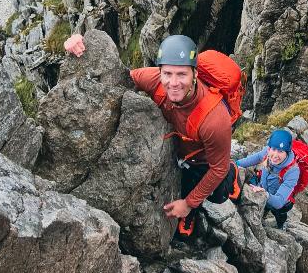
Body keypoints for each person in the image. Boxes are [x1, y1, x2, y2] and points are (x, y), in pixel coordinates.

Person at [65, 30, 239, 237]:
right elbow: (114, 78)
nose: (173, 83)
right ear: (160, 72)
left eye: (182, 74)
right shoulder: (154, 80)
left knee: (218, 195)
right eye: (167, 74)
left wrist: (188, 204)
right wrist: (81, 48)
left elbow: (216, 169)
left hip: (202, 158)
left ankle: (231, 173)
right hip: (174, 147)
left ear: (195, 75)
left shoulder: (214, 119)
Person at [235, 127, 300, 229]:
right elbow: (254, 158)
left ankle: (281, 225)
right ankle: (263, 216)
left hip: (281, 202)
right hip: (263, 189)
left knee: (279, 214)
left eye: (281, 151)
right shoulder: (267, 152)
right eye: (274, 149)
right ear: (269, 148)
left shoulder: (292, 171)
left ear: (287, 152)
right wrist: (235, 164)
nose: (275, 155)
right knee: (263, 209)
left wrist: (264, 194)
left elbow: (278, 202)